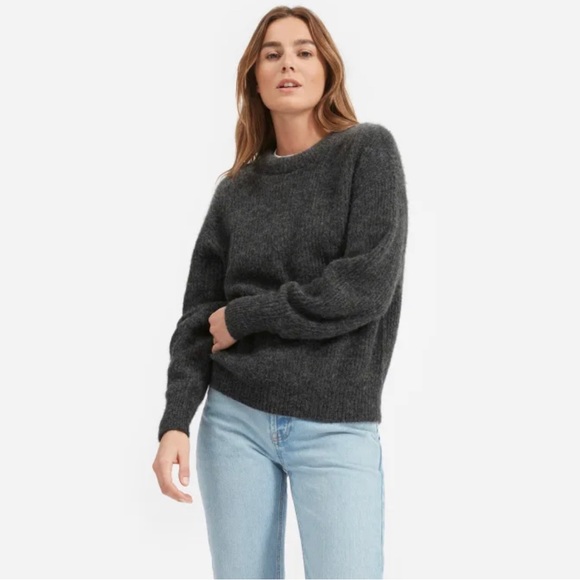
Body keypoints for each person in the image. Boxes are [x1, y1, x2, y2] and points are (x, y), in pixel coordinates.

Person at [152, 5, 408, 579]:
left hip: (336, 424)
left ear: (327, 70)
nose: (288, 63)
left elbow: (363, 287)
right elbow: (198, 316)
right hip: (234, 423)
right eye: (272, 54)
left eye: (303, 51)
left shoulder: (367, 152)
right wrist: (175, 421)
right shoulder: (236, 190)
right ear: (255, 78)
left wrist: (246, 316)